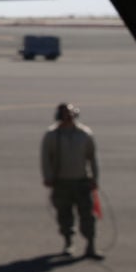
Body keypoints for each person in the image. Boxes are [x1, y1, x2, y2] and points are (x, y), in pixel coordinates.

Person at [40, 102, 101, 259]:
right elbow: (46, 158)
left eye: (71, 115)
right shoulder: (52, 135)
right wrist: (48, 177)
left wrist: (95, 178)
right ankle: (68, 242)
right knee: (64, 215)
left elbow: (92, 157)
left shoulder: (84, 134)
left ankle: (91, 246)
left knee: (87, 215)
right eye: (66, 115)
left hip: (81, 181)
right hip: (61, 183)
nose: (69, 118)